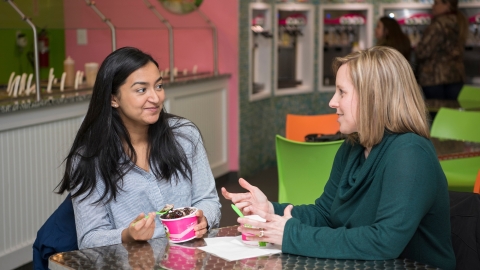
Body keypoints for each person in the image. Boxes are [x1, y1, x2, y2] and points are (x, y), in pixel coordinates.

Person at [222, 46, 455, 269]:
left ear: (373, 98)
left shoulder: (410, 154)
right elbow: (326, 214)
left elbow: (384, 242)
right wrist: (270, 210)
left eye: (342, 92)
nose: (332, 102)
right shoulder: (353, 146)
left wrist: (291, 234)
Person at [56, 47, 221, 249]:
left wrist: (203, 219)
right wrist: (127, 235)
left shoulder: (185, 135)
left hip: (191, 258)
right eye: (141, 90)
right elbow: (89, 238)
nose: (156, 98)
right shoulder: (89, 157)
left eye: (158, 86)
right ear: (113, 98)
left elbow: (208, 200)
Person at [415, 0, 468, 100]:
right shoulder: (460, 22)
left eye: (436, 3)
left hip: (434, 78)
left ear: (447, 4)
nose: (433, 6)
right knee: (452, 113)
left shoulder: (438, 25)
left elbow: (422, 52)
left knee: (436, 113)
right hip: (456, 76)